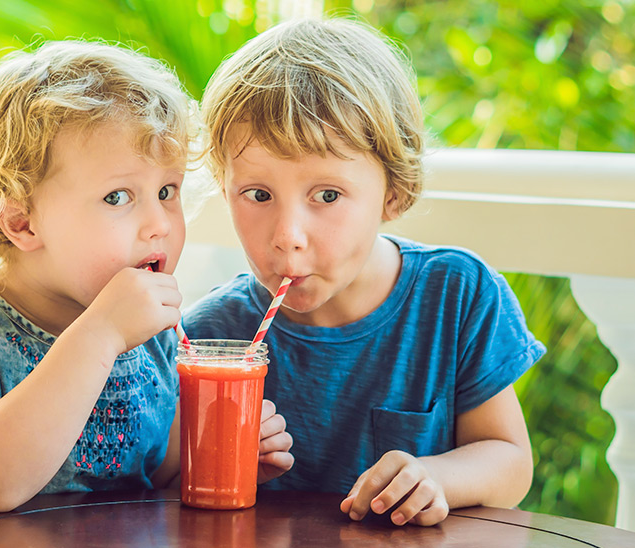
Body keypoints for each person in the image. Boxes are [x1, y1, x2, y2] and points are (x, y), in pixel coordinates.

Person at [0, 39, 293, 516]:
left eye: (167, 190)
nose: (160, 223)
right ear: (22, 222)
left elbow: (156, 476)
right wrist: (101, 333)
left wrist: (225, 455)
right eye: (118, 197)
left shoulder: (151, 337)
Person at [184, 18, 545, 527]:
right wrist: (225, 464)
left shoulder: (456, 296)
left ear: (392, 192)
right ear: (226, 191)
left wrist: (436, 476)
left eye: (327, 196)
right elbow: (164, 491)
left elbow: (510, 460)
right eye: (258, 195)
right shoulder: (212, 341)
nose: (287, 234)